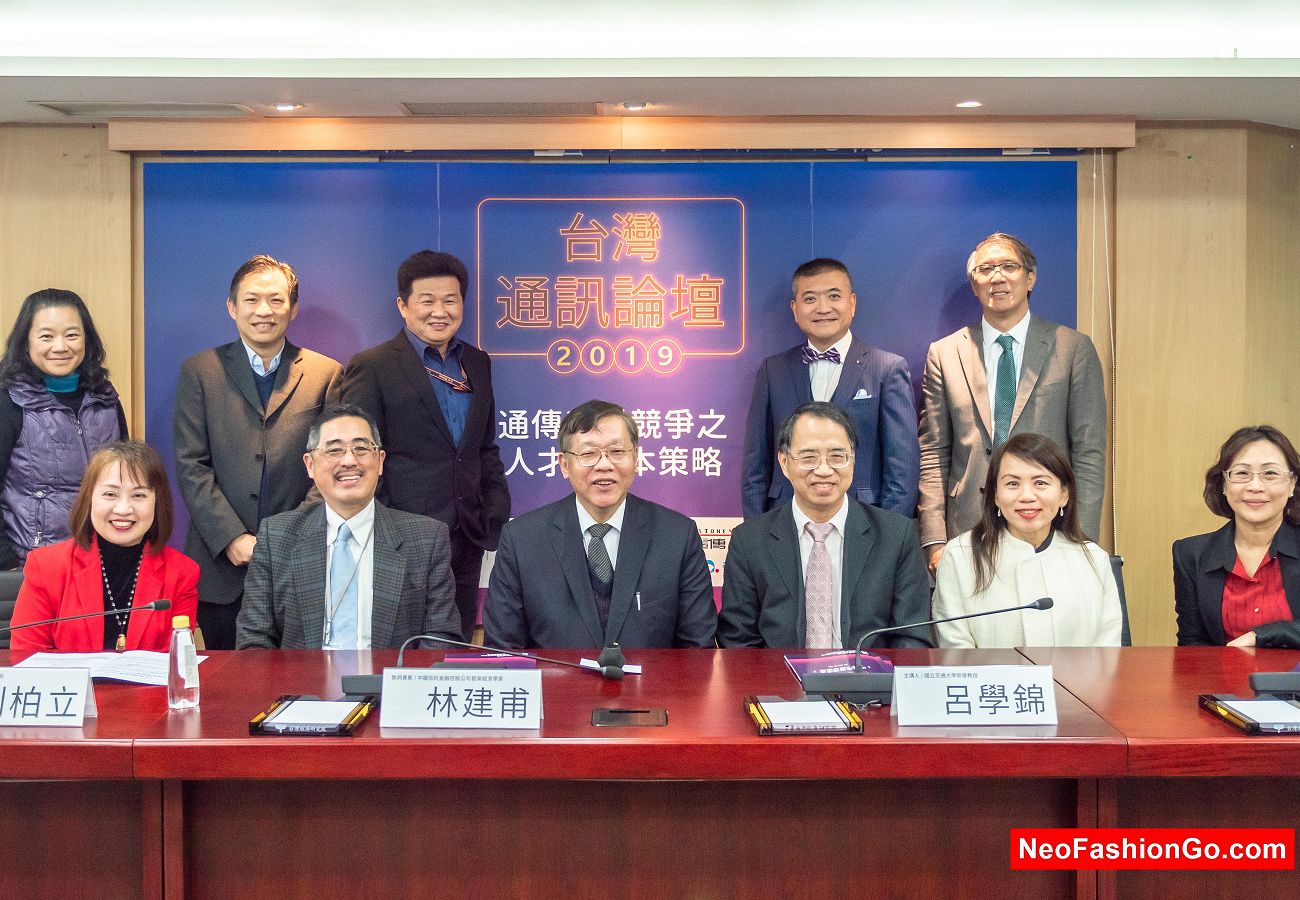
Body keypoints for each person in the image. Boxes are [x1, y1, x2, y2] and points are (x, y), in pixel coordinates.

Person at [174, 255, 343, 649]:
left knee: (300, 675)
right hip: (221, 566)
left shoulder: (326, 374)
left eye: (276, 300)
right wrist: (231, 538)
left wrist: (287, 538)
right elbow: (191, 464)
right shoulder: (200, 371)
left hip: (301, 560)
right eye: (251, 300)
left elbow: (333, 465)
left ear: (293, 308)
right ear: (232, 307)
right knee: (228, 678)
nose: (263, 311)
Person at [342, 250, 510, 641]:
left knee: (456, 643)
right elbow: (358, 455)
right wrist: (383, 521)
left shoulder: (477, 363)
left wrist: (495, 506)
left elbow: (484, 446)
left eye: (450, 300)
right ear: (403, 306)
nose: (440, 311)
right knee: (400, 647)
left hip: (467, 534)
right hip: (401, 536)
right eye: (427, 300)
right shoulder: (374, 366)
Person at [918, 233, 1106, 574]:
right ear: (974, 285)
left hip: (1050, 525)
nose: (997, 277)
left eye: (1008, 266)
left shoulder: (1073, 349)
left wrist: (1082, 538)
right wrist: (935, 540)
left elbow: (1089, 452)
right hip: (968, 525)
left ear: (1030, 278)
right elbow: (933, 452)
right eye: (985, 269)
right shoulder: (944, 353)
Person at [483, 400, 716, 650]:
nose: (604, 465)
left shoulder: (678, 536)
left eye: (617, 452)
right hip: (555, 678)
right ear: (564, 465)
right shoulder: (522, 540)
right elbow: (502, 651)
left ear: (635, 459)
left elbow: (698, 649)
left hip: (652, 678)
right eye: (588, 454)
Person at [236, 404, 460, 650]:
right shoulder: (276, 537)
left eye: (361, 448)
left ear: (380, 461)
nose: (349, 460)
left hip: (388, 675)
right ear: (310, 465)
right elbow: (254, 640)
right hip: (302, 676)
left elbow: (441, 641)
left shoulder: (427, 539)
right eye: (334, 450)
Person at [720, 402, 932, 650]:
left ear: (853, 460)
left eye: (837, 456)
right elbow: (738, 641)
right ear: (784, 462)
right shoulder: (749, 541)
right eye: (808, 457)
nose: (823, 469)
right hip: (779, 675)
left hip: (868, 674)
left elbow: (912, 636)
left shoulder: (896, 536)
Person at [742, 258, 918, 520]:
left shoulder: (887, 369)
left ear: (852, 303)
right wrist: (755, 532)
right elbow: (755, 464)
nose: (823, 308)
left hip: (865, 520)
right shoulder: (773, 370)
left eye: (834, 296)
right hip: (783, 519)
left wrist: (890, 534)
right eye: (810, 299)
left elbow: (902, 469)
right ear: (795, 309)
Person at [932, 433, 1121, 648]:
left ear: (1064, 495)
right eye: (1013, 483)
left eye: (1040, 483)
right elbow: (956, 650)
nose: (1027, 496)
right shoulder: (960, 557)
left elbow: (1107, 653)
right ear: (995, 495)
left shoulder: (1093, 560)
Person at [10, 442, 198, 653]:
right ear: (89, 499)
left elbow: (175, 661)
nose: (123, 509)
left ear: (157, 502)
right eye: (110, 494)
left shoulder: (181, 573)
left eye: (138, 495)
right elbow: (26, 656)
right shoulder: (46, 567)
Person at [0, 289, 127, 569]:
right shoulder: (8, 402)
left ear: (86, 340)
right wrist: (6, 563)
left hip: (100, 561)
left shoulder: (106, 400)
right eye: (47, 336)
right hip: (30, 565)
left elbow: (124, 484)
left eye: (71, 335)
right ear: (26, 342)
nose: (60, 346)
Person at [1173, 425, 1300, 648]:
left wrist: (1264, 635)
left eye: (1270, 473)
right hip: (1223, 672)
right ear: (1224, 483)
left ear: (1292, 484)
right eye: (1242, 473)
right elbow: (1193, 646)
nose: (1255, 486)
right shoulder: (1191, 554)